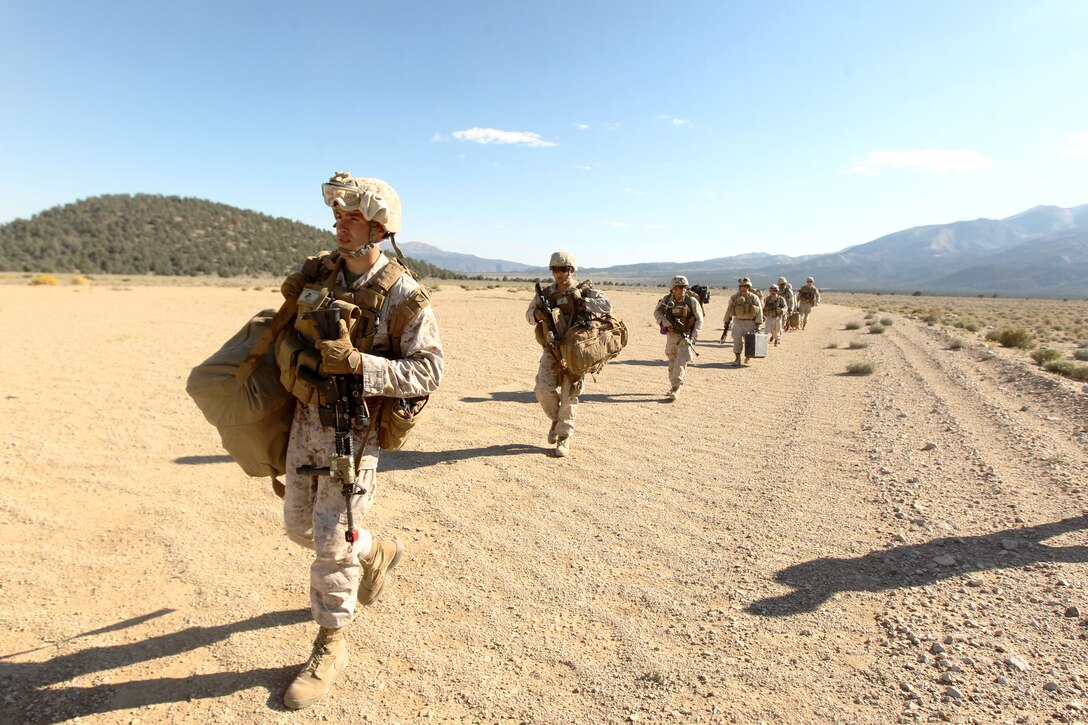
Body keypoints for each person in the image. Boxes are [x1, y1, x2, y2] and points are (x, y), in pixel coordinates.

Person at [275, 171, 444, 709]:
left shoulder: (403, 293)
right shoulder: (319, 275)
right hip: (305, 423)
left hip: (354, 428)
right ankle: (377, 550)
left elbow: (428, 371)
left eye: (353, 217)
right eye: (339, 216)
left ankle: (331, 642)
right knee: (299, 526)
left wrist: (361, 365)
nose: (340, 226)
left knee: (331, 538)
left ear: (378, 226)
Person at [525, 251, 612, 457]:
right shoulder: (545, 294)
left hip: (577, 351)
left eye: (563, 269)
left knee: (569, 395)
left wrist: (583, 302)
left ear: (571, 270)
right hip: (553, 348)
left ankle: (564, 437)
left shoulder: (584, 291)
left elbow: (607, 305)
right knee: (542, 389)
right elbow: (528, 316)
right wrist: (537, 314)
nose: (558, 273)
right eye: (554, 269)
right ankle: (556, 420)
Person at [653, 275, 704, 401]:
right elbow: (657, 312)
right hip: (671, 335)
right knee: (672, 361)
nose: (682, 290)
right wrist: (664, 321)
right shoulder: (666, 300)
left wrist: (693, 336)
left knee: (680, 362)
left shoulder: (691, 301)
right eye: (679, 287)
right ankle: (673, 385)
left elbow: (699, 319)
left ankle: (676, 387)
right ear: (673, 288)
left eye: (684, 287)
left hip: (686, 336)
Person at [720, 277, 764, 366]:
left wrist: (758, 323)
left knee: (749, 341)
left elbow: (759, 311)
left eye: (745, 286)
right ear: (739, 287)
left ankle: (748, 356)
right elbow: (729, 310)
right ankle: (737, 359)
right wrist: (726, 321)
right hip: (738, 322)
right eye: (742, 286)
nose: (743, 288)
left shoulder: (754, 297)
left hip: (750, 322)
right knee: (736, 340)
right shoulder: (735, 297)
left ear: (748, 287)